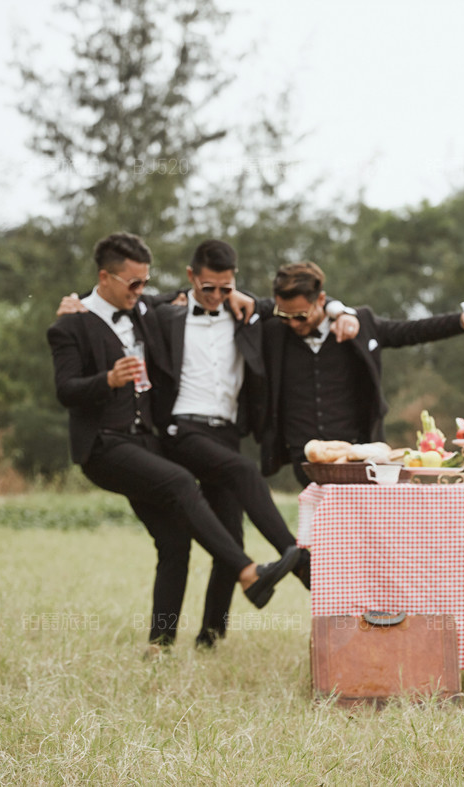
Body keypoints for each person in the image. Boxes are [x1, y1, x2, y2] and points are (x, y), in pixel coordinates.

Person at [47, 231, 300, 650]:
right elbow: (65, 390)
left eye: (145, 282)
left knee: (174, 542)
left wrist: (243, 296)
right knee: (182, 482)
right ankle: (247, 572)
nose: (142, 290)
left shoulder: (144, 308)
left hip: (145, 442)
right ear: (105, 277)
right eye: (133, 282)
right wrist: (106, 380)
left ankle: (160, 643)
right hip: (104, 446)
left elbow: (198, 294)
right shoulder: (71, 324)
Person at [152, 240, 348, 647]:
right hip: (182, 429)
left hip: (225, 433)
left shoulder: (246, 315)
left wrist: (338, 309)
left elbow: (305, 302)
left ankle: (210, 636)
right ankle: (297, 559)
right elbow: (128, 299)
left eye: (227, 287)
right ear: (191, 278)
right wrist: (78, 302)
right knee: (242, 473)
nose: (219, 296)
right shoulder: (165, 312)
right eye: (209, 288)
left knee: (231, 541)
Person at [259, 261, 464, 486]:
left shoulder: (361, 325)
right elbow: (252, 305)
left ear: (320, 300)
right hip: (305, 455)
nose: (292, 324)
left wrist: (459, 322)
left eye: (300, 316)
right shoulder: (274, 333)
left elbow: (411, 331)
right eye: (283, 315)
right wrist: (337, 309)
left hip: (359, 452)